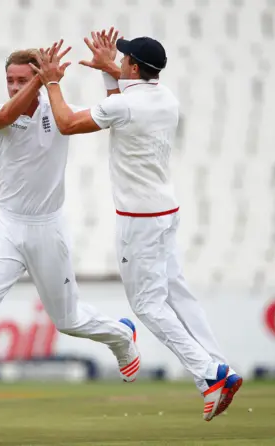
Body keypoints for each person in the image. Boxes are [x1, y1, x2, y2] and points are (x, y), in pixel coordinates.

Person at [0, 43, 139, 431]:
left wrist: (109, 71)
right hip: (8, 229)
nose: (15, 87)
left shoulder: (58, 110)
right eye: (11, 80)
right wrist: (40, 82)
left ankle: (120, 335)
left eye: (23, 79)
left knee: (67, 321)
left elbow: (116, 114)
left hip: (49, 229)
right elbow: (4, 115)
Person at [30, 29, 243, 422]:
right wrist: (109, 72)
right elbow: (123, 105)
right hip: (166, 212)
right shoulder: (165, 98)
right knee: (177, 294)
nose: (120, 61)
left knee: (147, 304)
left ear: (133, 67)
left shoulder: (127, 106)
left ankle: (211, 376)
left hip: (139, 221)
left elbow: (66, 123)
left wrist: (52, 81)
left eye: (124, 59)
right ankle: (219, 364)